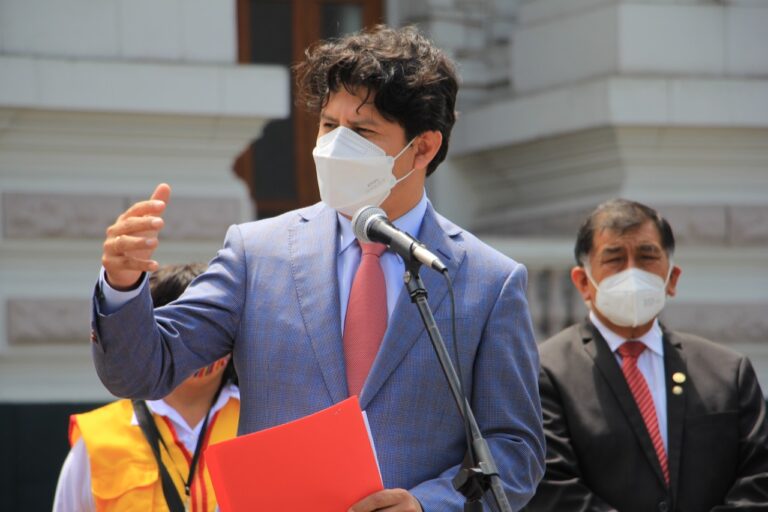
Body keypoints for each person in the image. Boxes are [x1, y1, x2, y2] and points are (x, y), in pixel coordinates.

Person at [89, 25, 544, 511]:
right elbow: (143, 371)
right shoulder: (257, 251)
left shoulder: (488, 281)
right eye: (329, 125)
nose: (335, 145)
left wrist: (427, 505)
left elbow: (515, 450)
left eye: (363, 132)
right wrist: (122, 284)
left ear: (424, 148)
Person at [525, 199, 768, 512]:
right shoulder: (545, 371)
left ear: (673, 278)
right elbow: (550, 485)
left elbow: (759, 477)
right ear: (583, 282)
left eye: (647, 256)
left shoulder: (728, 372)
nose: (632, 272)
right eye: (614, 258)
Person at [54, 263, 240, 512]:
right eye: (179, 331)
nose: (197, 346)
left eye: (210, 329)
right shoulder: (98, 439)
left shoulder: (265, 423)